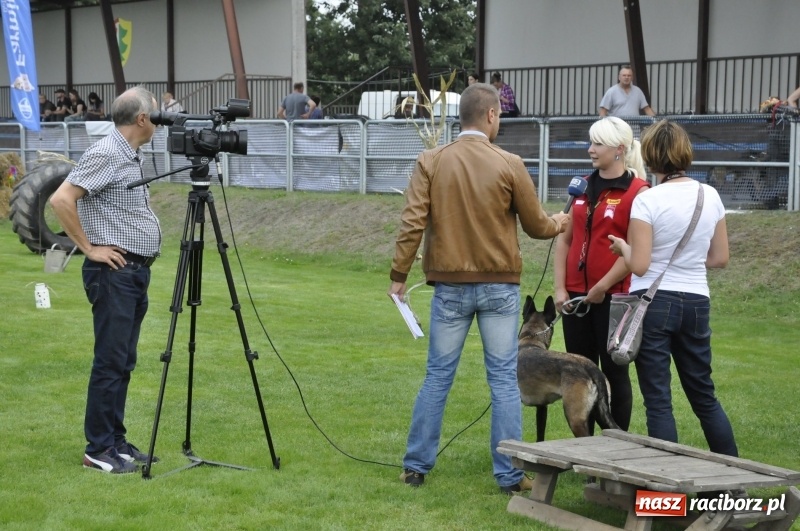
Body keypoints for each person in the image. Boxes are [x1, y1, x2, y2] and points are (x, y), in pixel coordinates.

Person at [389, 82, 569, 493]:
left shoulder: (431, 160)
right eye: (499, 115)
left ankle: (415, 468)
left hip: (449, 287)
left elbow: (412, 221)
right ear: (490, 115)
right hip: (499, 288)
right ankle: (508, 475)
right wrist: (560, 222)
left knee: (437, 377)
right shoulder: (510, 162)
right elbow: (538, 226)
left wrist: (399, 275)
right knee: (504, 380)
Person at [608, 120, 738, 457]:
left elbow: (639, 265)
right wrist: (689, 260)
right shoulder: (709, 195)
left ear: (650, 159)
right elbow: (720, 257)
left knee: (658, 401)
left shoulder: (648, 200)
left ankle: (667, 498)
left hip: (653, 301)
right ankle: (735, 481)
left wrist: (623, 248)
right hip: (696, 300)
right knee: (704, 396)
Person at [50, 86, 162, 474]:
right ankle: (98, 450)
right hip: (114, 272)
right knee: (110, 362)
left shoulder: (128, 153)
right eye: (157, 114)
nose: (160, 121)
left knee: (123, 361)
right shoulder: (107, 152)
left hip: (132, 272)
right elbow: (62, 199)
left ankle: (115, 442)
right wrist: (90, 248)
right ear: (142, 119)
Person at [553, 116, 649, 434]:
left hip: (615, 298)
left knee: (613, 372)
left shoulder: (638, 191)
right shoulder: (581, 185)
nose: (590, 149)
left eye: (598, 143)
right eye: (590, 142)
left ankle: (615, 445)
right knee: (580, 372)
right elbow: (564, 238)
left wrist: (603, 286)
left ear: (619, 149)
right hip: (575, 297)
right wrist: (560, 288)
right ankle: (589, 451)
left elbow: (634, 248)